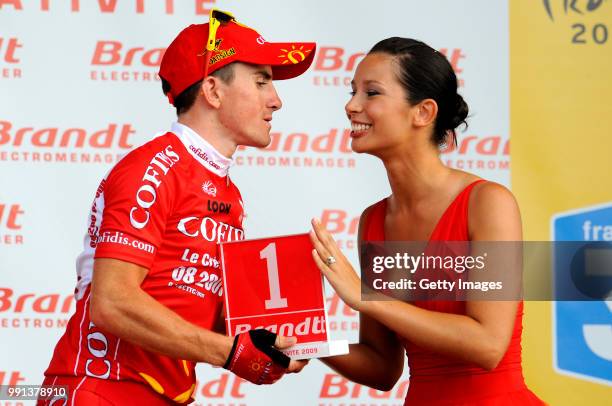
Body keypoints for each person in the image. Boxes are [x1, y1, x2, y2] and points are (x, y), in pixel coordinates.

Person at [39, 10, 315, 405]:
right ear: (213, 91)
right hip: (101, 386)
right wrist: (231, 353)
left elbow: (194, 304)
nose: (276, 100)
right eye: (261, 82)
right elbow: (112, 302)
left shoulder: (228, 193)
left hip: (164, 394)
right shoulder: (154, 169)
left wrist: (267, 344)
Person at [310, 37, 544, 405]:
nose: (351, 105)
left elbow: (487, 345)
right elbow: (383, 367)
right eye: (352, 91)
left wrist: (366, 298)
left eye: (371, 93)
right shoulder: (373, 220)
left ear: (423, 112)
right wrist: (305, 337)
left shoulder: (487, 202)